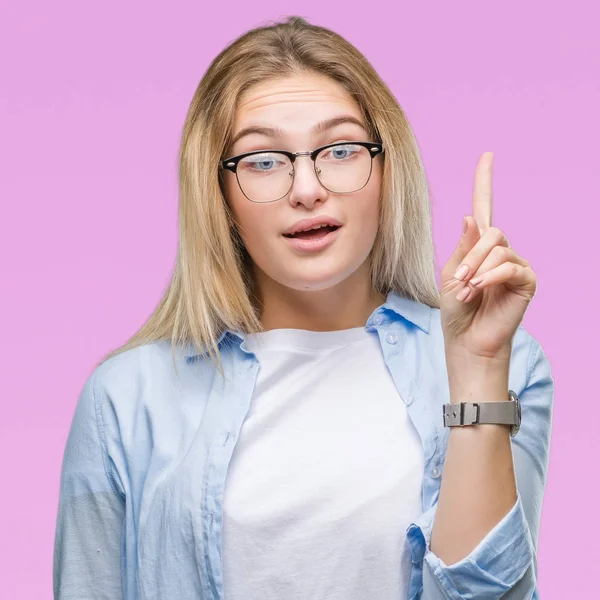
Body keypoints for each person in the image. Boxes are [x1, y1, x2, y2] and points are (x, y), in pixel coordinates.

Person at [52, 15, 554, 600]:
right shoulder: (124, 399)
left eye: (340, 150)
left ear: (385, 169)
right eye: (263, 161)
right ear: (218, 196)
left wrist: (477, 369)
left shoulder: (511, 367)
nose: (307, 188)